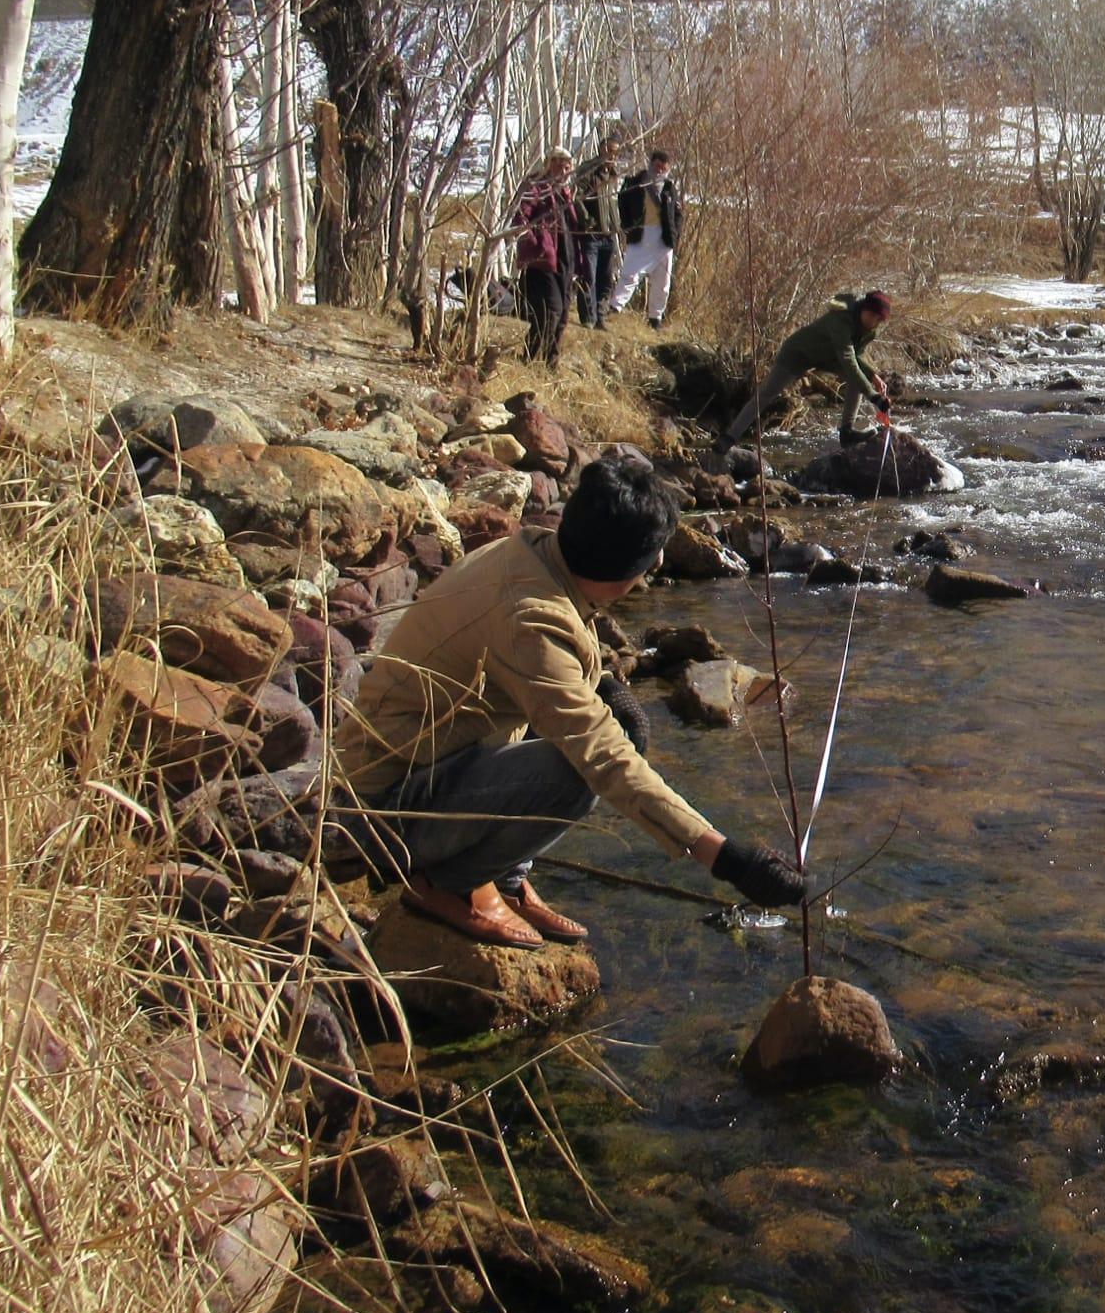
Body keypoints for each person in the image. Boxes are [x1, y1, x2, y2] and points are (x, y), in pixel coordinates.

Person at [334, 449, 809, 946]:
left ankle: (506, 876)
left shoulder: (532, 553)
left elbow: (547, 664)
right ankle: (449, 884)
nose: (660, 562)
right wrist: (726, 858)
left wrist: (599, 680)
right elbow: (601, 758)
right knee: (577, 771)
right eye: (654, 556)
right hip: (384, 814)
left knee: (614, 728)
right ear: (623, 574)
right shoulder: (531, 619)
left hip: (433, 765)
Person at [726, 289, 891, 449]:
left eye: (878, 319)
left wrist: (873, 374)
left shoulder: (870, 330)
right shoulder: (841, 320)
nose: (873, 322)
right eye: (871, 315)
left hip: (828, 357)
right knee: (766, 394)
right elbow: (848, 359)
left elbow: (857, 355)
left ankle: (847, 433)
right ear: (863, 309)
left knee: (857, 380)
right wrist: (874, 396)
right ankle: (729, 438)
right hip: (798, 355)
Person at [508, 147, 578, 365]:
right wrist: (535, 244)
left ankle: (550, 362)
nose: (563, 171)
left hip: (565, 260)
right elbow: (520, 218)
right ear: (549, 164)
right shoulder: (537, 187)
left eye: (567, 167)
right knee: (550, 311)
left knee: (563, 315)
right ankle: (529, 359)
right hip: (543, 261)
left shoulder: (565, 192)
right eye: (558, 165)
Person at [610, 148, 682, 327]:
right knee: (630, 273)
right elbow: (622, 205)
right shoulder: (634, 183)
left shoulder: (669, 188)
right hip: (641, 233)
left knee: (662, 281)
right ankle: (615, 307)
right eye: (657, 166)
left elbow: (678, 214)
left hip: (664, 238)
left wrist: (675, 233)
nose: (659, 171)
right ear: (651, 164)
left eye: (663, 168)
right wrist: (628, 226)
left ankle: (655, 317)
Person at [571, 133, 627, 328]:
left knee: (606, 278)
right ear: (601, 150)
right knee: (589, 276)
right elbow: (576, 197)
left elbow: (614, 204)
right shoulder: (589, 171)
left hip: (609, 234)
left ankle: (601, 316)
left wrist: (617, 226)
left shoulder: (613, 175)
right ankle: (588, 317)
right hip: (591, 234)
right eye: (609, 151)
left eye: (616, 153)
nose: (612, 156)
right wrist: (587, 220)